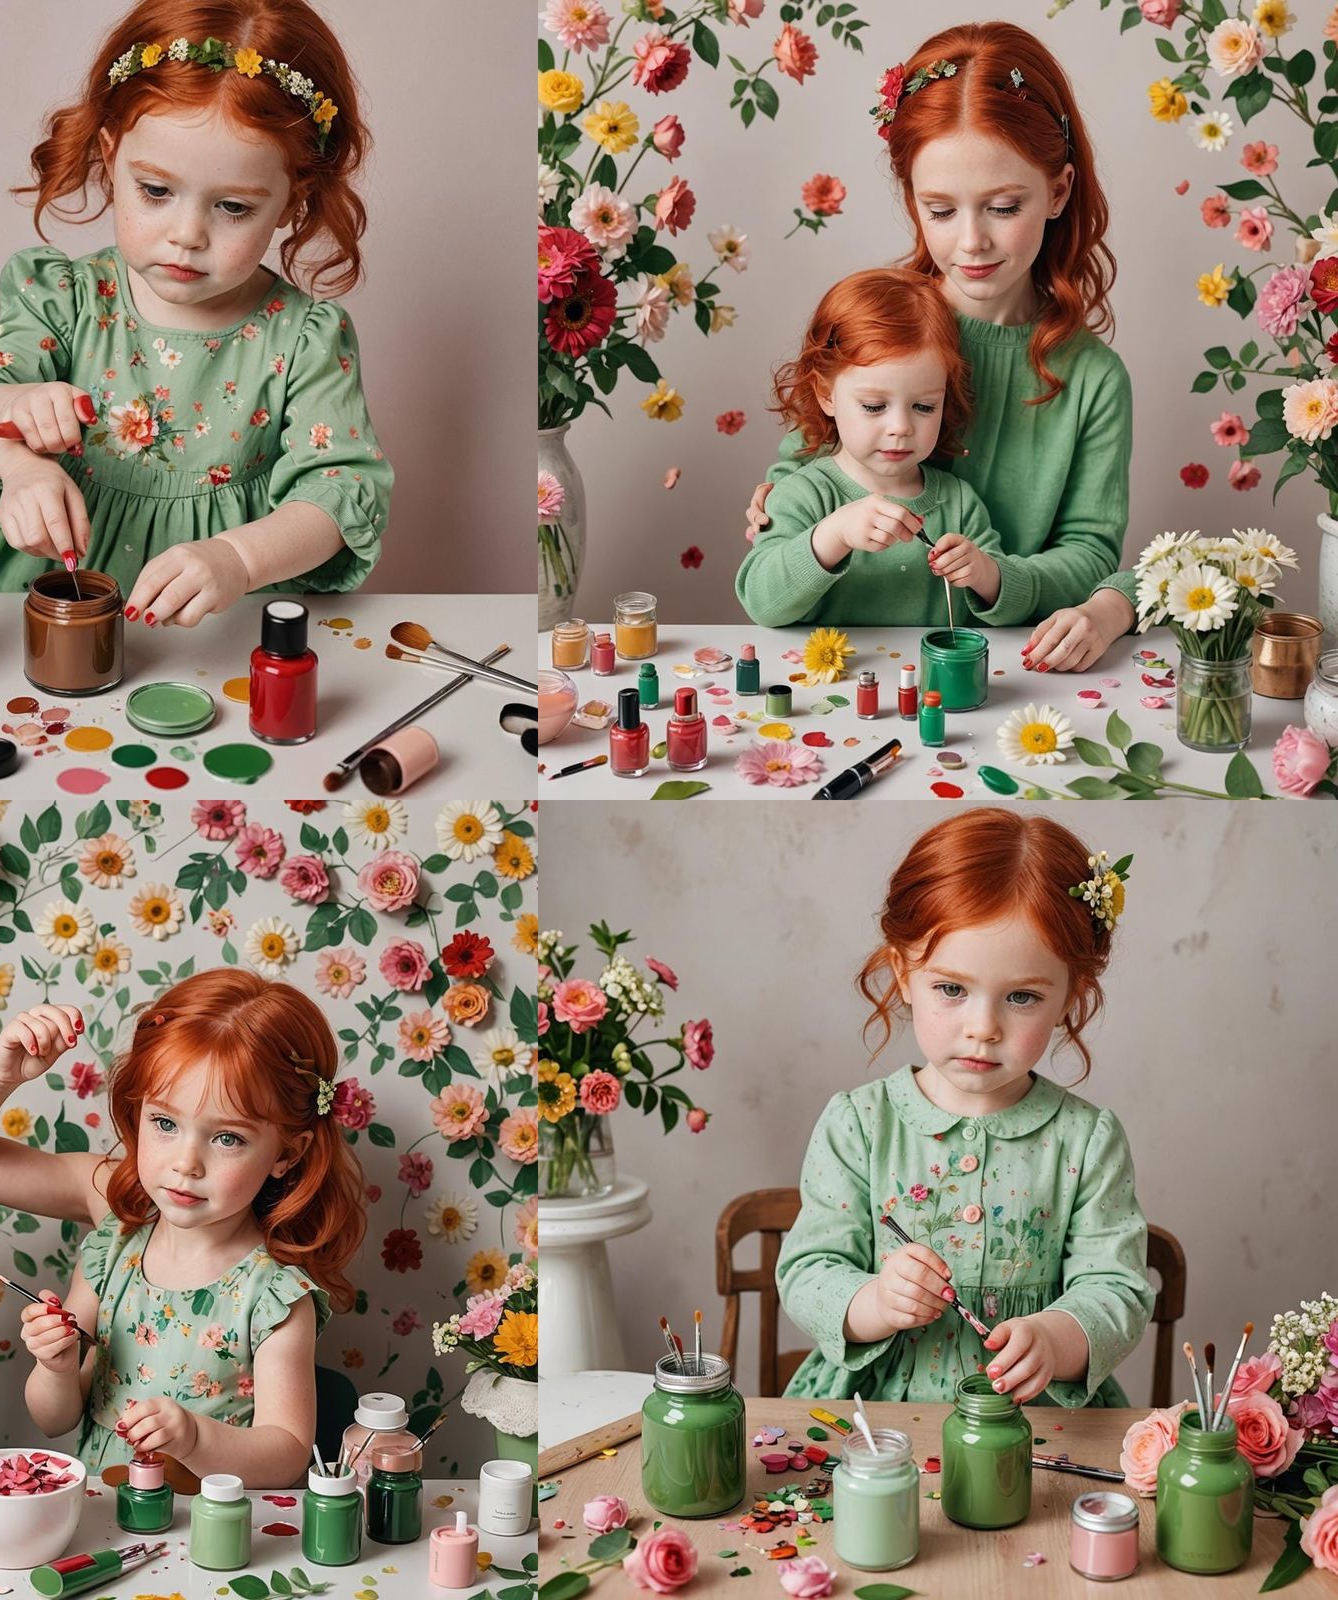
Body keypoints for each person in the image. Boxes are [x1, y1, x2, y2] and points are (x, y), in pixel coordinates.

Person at [0, 0, 391, 625]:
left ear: (290, 199)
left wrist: (238, 558)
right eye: (157, 191)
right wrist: (15, 454)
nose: (187, 235)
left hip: (219, 631)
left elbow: (343, 491)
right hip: (46, 617)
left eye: (234, 207)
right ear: (111, 157)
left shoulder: (303, 339)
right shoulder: (67, 301)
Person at [745, 23, 1138, 671]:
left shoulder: (1093, 379)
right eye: (941, 210)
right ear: (912, 199)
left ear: (1058, 191)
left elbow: (1090, 554)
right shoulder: (882, 331)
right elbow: (802, 476)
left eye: (1003, 207)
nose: (971, 242)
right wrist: (786, 511)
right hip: (841, 664)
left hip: (1003, 670)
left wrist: (1000, 578)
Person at [0, 968, 365, 1480]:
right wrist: (57, 1367)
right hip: (100, 1516)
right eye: (165, 1123)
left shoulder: (274, 1295)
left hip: (208, 1523)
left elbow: (286, 1456)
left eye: (228, 1139)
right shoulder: (120, 1219)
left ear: (287, 1153)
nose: (186, 1164)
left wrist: (195, 1439)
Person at [776, 809, 1154, 1405]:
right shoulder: (860, 1125)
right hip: (877, 1418)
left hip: (1034, 1421)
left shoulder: (1087, 1139)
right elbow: (808, 1271)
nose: (983, 1028)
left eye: (1022, 997)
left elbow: (1118, 1288)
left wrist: (1055, 1339)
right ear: (903, 975)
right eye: (951, 989)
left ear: (1069, 997)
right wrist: (876, 1302)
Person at [735, 267, 1021, 628]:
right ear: (826, 395)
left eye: (924, 406)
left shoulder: (959, 503)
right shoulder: (802, 495)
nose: (901, 427)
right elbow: (761, 604)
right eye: (874, 407)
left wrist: (983, 573)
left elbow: (1009, 612)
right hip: (828, 666)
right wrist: (834, 535)